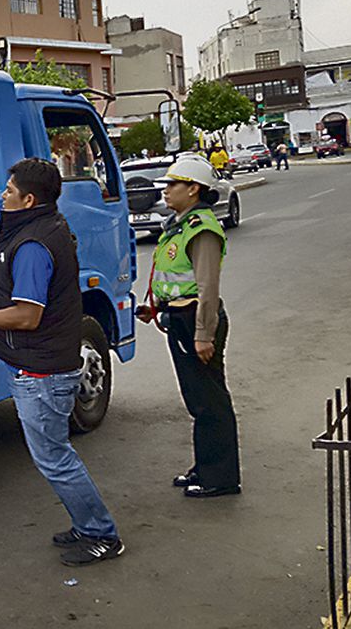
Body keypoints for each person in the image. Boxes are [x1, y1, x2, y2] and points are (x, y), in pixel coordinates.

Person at [0, 146, 124, 566]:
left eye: (9, 191)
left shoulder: (33, 247)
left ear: (29, 199)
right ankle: (86, 525)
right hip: (37, 367)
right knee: (55, 456)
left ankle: (102, 535)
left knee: (56, 459)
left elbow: (26, 316)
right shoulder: (26, 219)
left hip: (41, 373)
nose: (1, 196)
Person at [138, 154, 240, 498]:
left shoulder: (203, 230)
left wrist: (203, 335)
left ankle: (220, 478)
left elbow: (207, 287)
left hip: (196, 320)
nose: (165, 191)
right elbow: (173, 277)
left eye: (172, 184)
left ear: (193, 189)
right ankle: (206, 466)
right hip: (179, 317)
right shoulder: (180, 224)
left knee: (209, 402)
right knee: (198, 400)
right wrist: (154, 307)